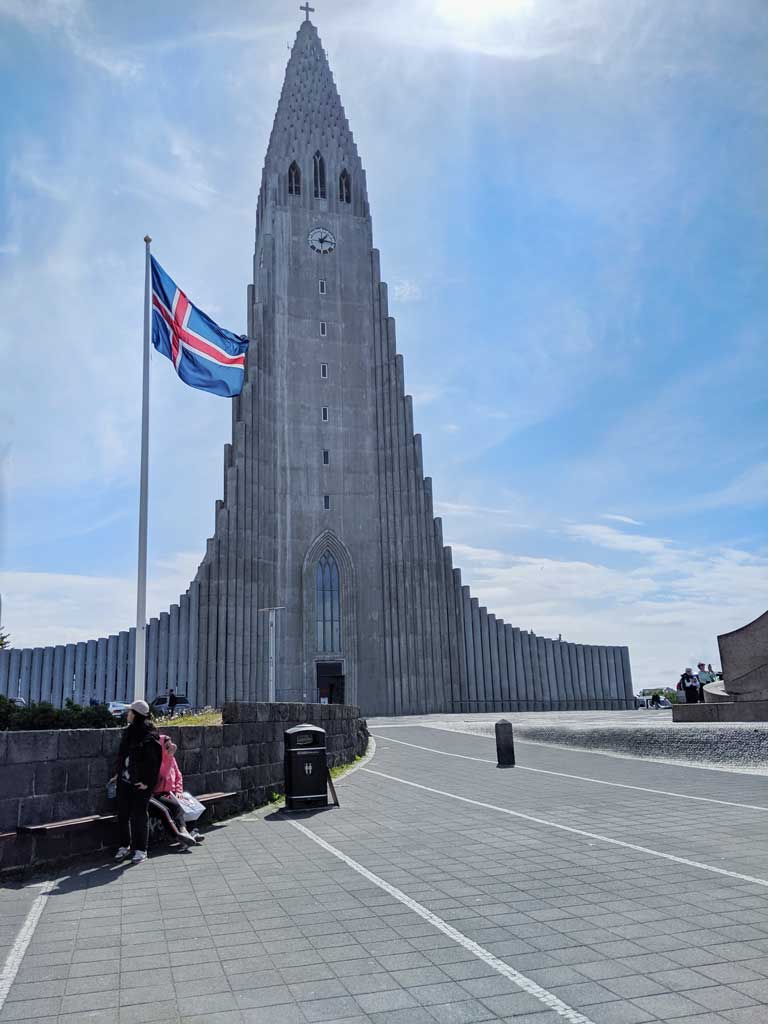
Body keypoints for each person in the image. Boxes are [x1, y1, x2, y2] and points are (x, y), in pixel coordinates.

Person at [111, 699, 162, 864]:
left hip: (141, 783)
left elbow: (153, 762)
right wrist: (118, 773)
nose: (128, 714)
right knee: (123, 814)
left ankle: (141, 849)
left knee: (140, 815)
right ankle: (124, 846)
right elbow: (122, 755)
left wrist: (147, 782)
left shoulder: (149, 736)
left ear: (137, 715)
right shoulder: (129, 732)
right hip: (125, 780)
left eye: (131, 712)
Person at [149, 735, 202, 848]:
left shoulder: (171, 758)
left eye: (170, 744)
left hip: (172, 792)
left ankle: (192, 831)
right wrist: (168, 757)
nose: (170, 747)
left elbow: (178, 775)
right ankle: (184, 834)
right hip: (158, 794)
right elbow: (160, 778)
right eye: (166, 745)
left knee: (188, 803)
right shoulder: (156, 760)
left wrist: (178, 791)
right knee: (175, 807)